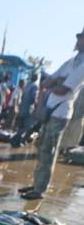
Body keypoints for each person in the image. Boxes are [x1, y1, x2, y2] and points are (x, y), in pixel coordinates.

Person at [20, 28, 84, 200]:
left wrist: (55, 83)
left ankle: (40, 190)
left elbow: (63, 90)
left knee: (49, 151)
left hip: (61, 113)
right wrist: (56, 81)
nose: (78, 40)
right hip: (49, 111)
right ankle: (36, 184)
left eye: (81, 38)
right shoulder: (70, 62)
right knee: (42, 149)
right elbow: (46, 82)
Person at [10, 73, 39, 147]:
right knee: (28, 126)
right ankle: (15, 138)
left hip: (22, 108)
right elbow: (34, 98)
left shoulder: (27, 85)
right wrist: (37, 108)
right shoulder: (34, 86)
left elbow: (22, 97)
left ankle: (18, 141)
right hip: (29, 109)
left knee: (21, 126)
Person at [60, 85, 84, 152]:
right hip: (78, 115)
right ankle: (67, 151)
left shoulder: (79, 85)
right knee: (73, 136)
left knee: (65, 133)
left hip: (69, 113)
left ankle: (61, 149)